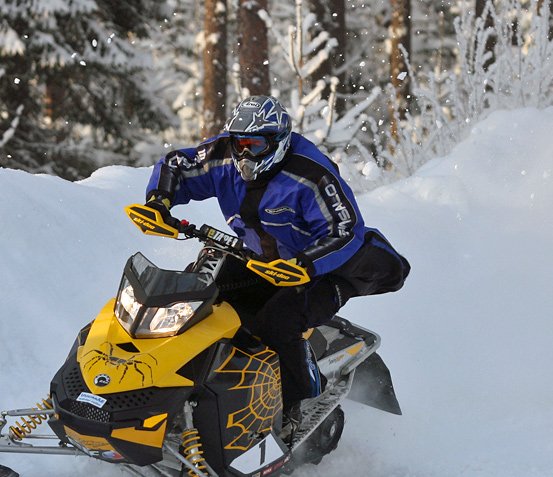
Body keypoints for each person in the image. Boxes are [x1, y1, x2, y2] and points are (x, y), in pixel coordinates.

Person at [144, 95, 410, 441]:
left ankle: (296, 406)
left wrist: (305, 263)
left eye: (254, 145)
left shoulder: (310, 174)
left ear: (278, 141)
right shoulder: (224, 155)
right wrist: (159, 201)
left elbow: (344, 230)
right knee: (201, 289)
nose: (244, 153)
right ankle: (177, 384)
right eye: (239, 143)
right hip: (266, 261)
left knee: (279, 321)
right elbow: (177, 165)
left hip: (330, 268)